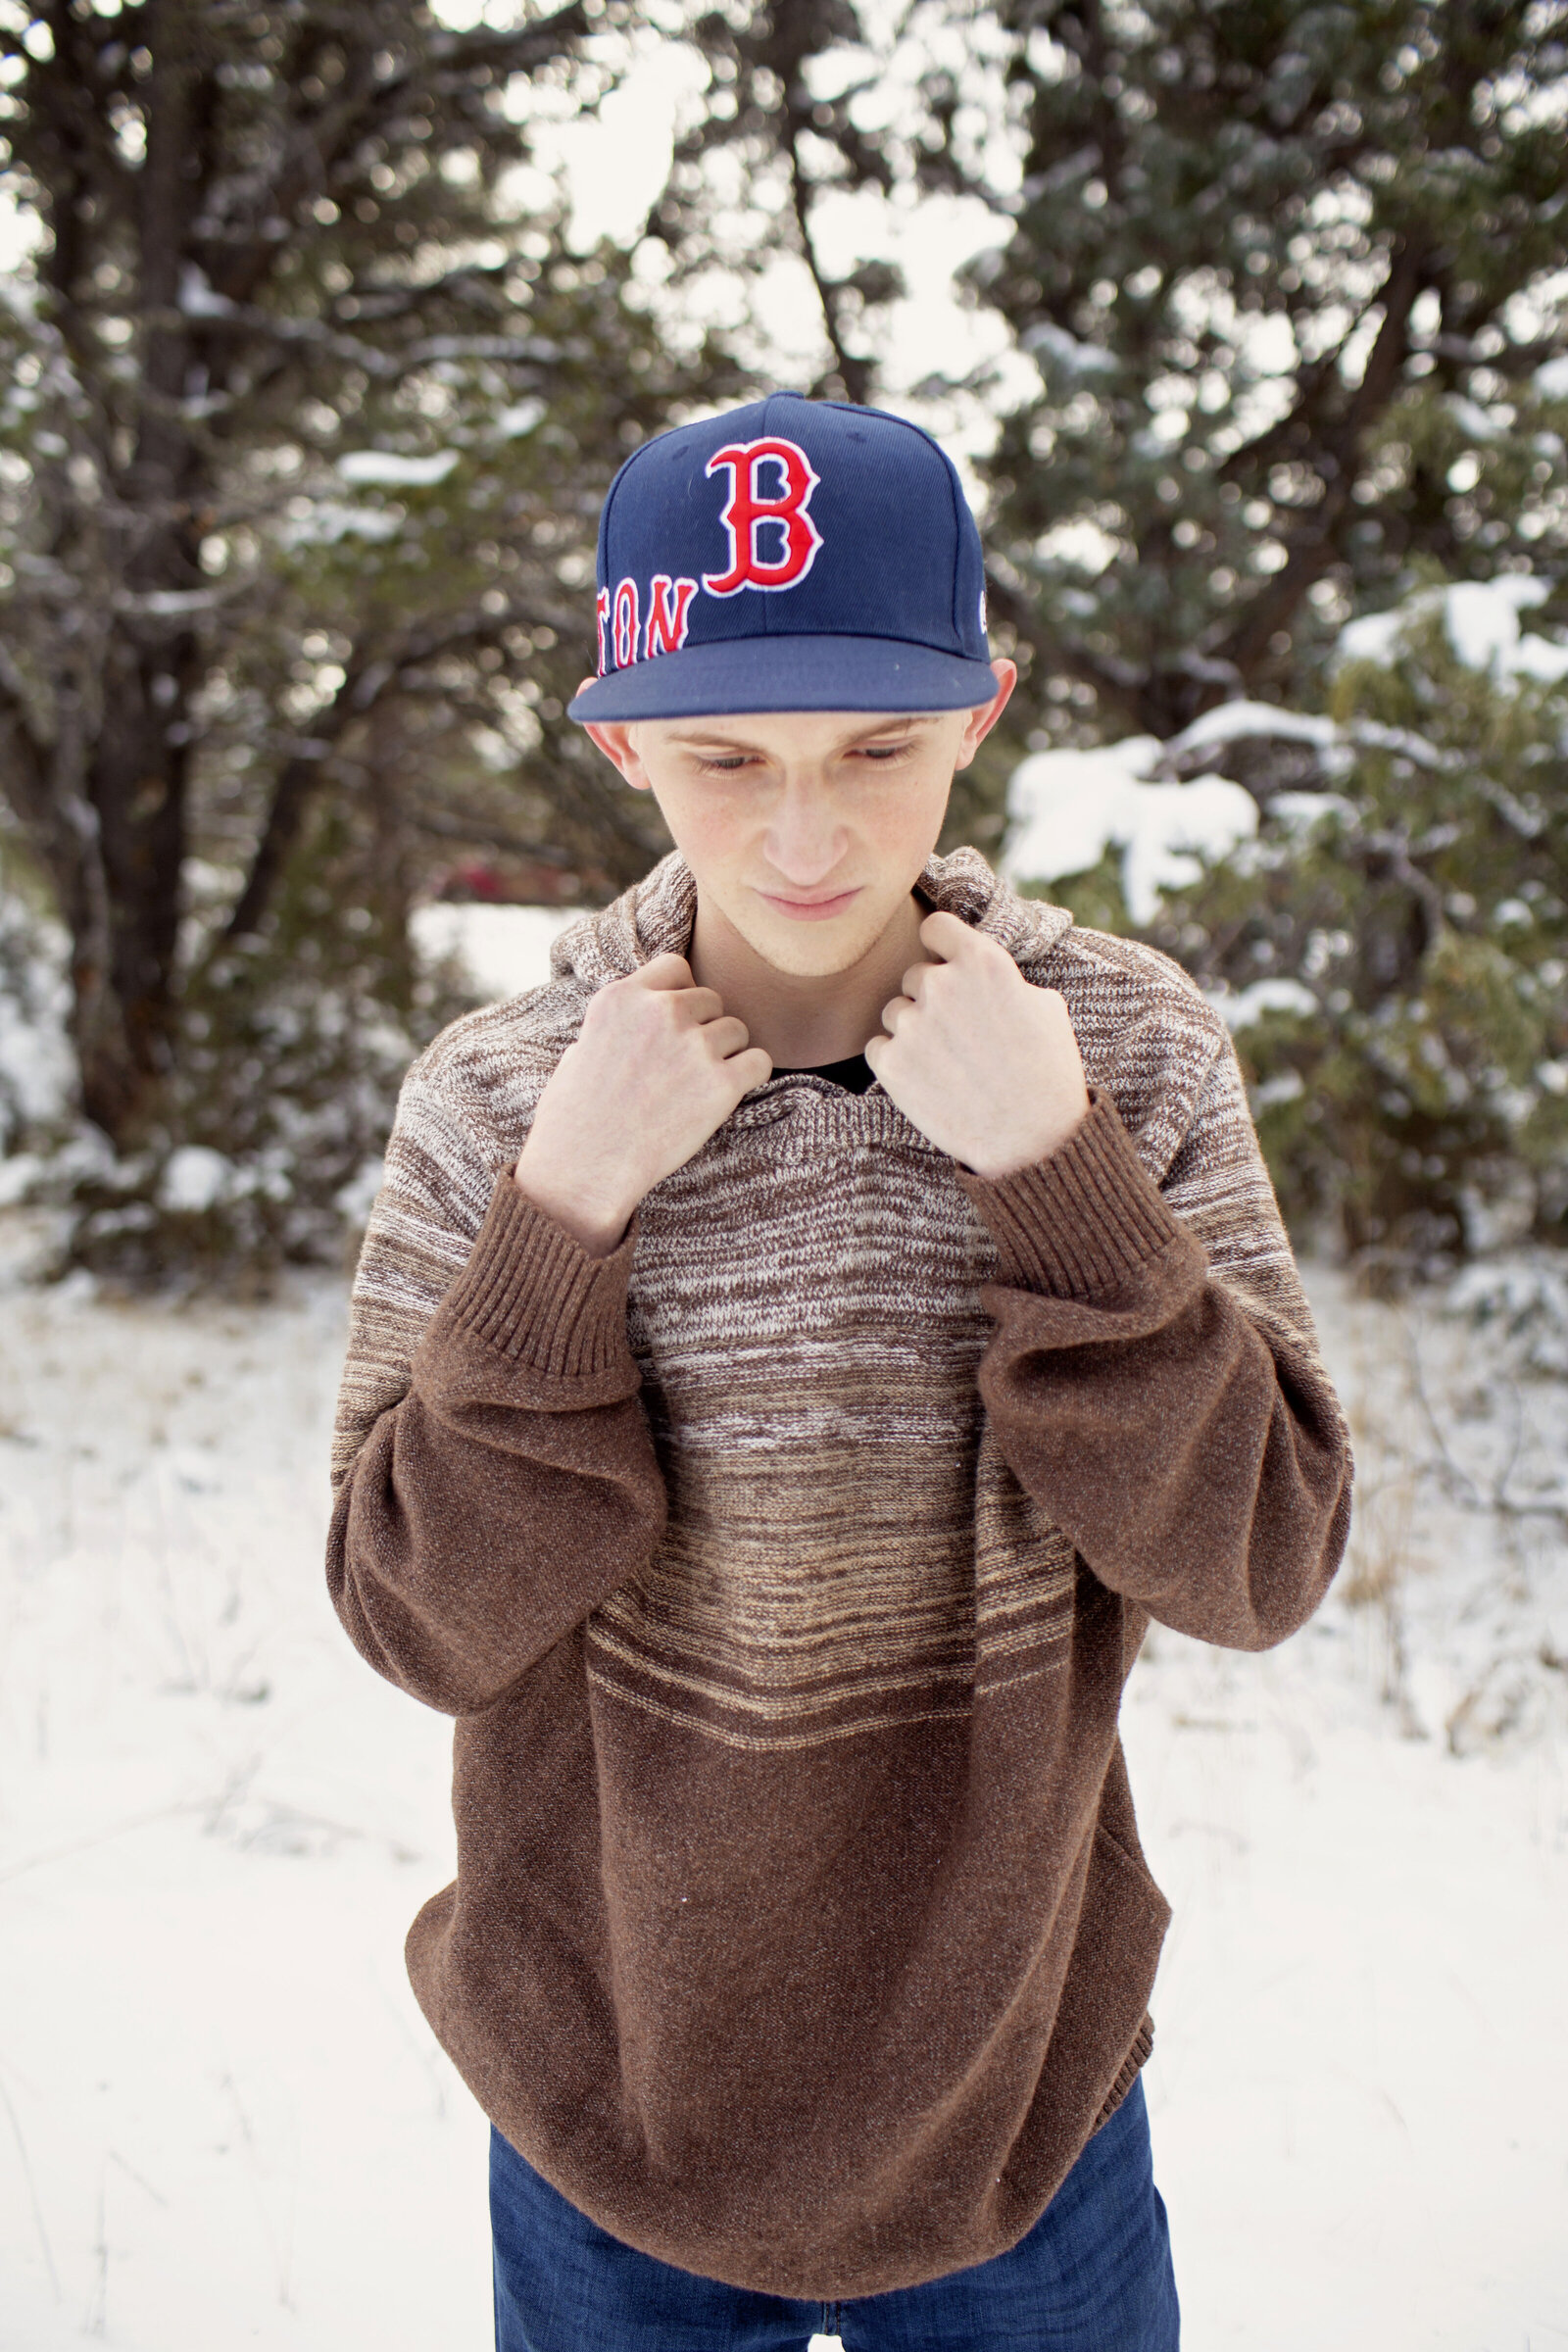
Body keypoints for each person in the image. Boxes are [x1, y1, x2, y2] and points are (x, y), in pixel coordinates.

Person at [327, 390, 1352, 2351]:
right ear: (624, 741)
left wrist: (1060, 1187)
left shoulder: (1122, 1057)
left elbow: (1260, 1564)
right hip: (597, 2100)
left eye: (877, 746)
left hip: (1009, 2112)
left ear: (982, 712)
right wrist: (563, 1224)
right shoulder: (498, 1101)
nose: (806, 832)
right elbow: (416, 1626)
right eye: (726, 754)